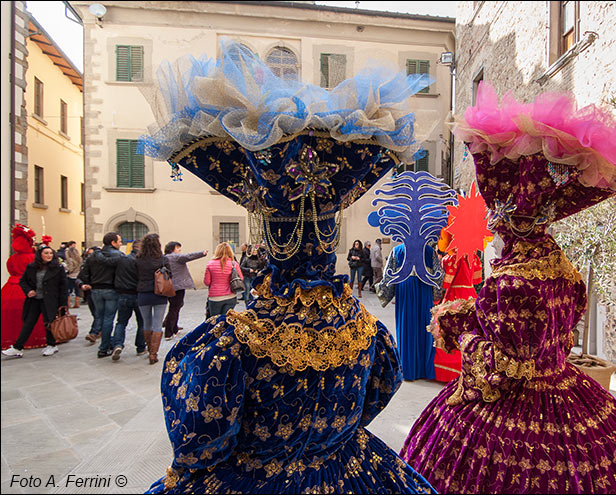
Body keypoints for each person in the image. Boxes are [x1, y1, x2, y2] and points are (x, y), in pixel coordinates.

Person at [138, 40, 435, 493]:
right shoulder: (367, 330)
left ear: (271, 243)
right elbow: (377, 395)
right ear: (330, 239)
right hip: (351, 471)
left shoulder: (232, 343)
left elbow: (201, 445)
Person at [400, 82, 616, 493]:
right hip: (568, 390)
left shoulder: (511, 279)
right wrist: (473, 314)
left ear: (508, 223)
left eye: (496, 222)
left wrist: (461, 332)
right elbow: (542, 331)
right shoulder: (559, 267)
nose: (494, 230)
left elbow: (502, 368)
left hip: (514, 415)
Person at [376, 243, 440, 381]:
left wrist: (383, 292)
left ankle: (408, 369)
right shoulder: (429, 251)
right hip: (425, 287)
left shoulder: (397, 250)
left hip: (405, 287)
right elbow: (438, 275)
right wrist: (436, 294)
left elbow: (388, 275)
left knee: (407, 326)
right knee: (425, 326)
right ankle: (425, 370)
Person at [2, 245, 68, 358]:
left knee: (49, 323)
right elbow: (23, 281)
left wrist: (62, 304)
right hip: (35, 300)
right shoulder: (32, 267)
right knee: (29, 322)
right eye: (46, 253)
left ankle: (52, 345)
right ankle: (18, 347)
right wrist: (29, 291)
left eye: (51, 253)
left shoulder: (58, 268)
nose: (49, 255)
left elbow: (63, 287)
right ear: (40, 255)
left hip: (51, 300)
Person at [95, 239, 148, 360]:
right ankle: (140, 347)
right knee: (142, 322)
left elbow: (105, 261)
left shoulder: (122, 259)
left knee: (121, 322)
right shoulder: (142, 261)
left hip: (123, 294)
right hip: (139, 294)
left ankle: (117, 344)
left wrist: (97, 252)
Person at [1, 224, 47, 351]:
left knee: (10, 318)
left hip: (10, 289)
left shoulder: (11, 259)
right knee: (33, 315)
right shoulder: (33, 258)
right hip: (28, 289)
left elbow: (10, 271)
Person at [79, 232, 124, 358]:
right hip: (111, 289)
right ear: (113, 243)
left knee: (100, 316)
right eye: (119, 241)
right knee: (108, 318)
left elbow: (85, 273)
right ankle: (104, 346)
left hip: (95, 290)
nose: (121, 244)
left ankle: (104, 343)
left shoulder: (93, 256)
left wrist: (86, 283)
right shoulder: (119, 255)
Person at [135, 233, 171, 365]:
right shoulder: (162, 259)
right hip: (159, 293)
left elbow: (135, 275)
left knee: (146, 323)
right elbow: (169, 274)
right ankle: (153, 354)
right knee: (157, 324)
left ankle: (150, 348)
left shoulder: (138, 259)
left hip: (143, 293)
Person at [163, 241, 208, 340]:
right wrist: (202, 253)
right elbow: (189, 256)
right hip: (178, 286)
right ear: (173, 248)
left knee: (175, 306)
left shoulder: (165, 257)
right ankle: (169, 331)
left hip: (169, 286)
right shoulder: (175, 257)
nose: (179, 250)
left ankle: (173, 327)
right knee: (174, 308)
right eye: (178, 248)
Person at [203, 242, 243, 317]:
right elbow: (241, 278)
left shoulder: (210, 264)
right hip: (230, 296)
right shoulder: (234, 264)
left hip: (215, 297)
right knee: (226, 320)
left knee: (215, 321)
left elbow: (207, 282)